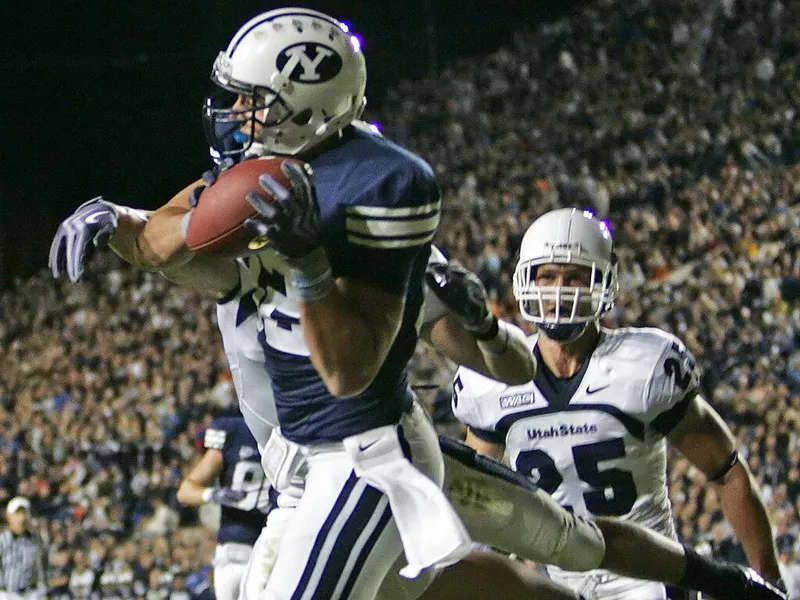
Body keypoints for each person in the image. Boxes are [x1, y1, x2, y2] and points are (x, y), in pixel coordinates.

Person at [453, 207, 785, 600]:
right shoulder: (490, 378)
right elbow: (482, 502)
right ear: (525, 280)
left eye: (574, 278)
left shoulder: (643, 366)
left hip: (649, 577)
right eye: (548, 277)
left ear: (603, 283)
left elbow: (727, 472)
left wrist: (768, 579)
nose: (559, 293)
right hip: (557, 582)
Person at [176, 416, 272, 600]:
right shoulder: (236, 432)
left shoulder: (291, 431)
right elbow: (185, 491)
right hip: (232, 549)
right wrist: (212, 494)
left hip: (269, 548)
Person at [0, 497, 48, 600]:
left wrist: (43, 589)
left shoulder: (37, 539)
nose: (22, 518)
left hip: (32, 593)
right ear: (9, 517)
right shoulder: (2, 540)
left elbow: (43, 566)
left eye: (24, 513)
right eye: (17, 514)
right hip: (8, 594)